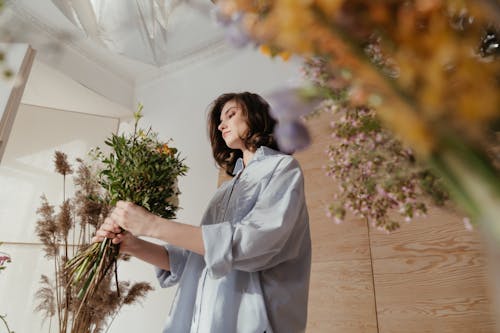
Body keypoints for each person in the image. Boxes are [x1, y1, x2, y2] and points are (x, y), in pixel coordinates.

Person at [93, 92, 311, 333]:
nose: (220, 125)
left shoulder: (282, 168)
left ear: (256, 116)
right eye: (219, 120)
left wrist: (153, 225)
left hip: (251, 322)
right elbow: (193, 259)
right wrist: (130, 243)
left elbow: (254, 242)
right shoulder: (226, 190)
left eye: (231, 114)